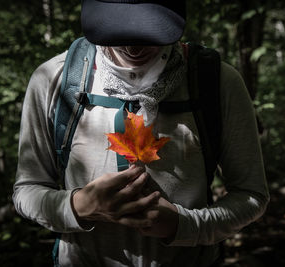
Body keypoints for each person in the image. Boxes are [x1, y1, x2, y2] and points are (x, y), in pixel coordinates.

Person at [13, 1, 269, 266]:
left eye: (149, 31)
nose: (133, 47)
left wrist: (184, 226)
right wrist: (80, 206)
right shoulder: (54, 79)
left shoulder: (216, 82)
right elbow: (26, 192)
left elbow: (251, 195)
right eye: (119, 32)